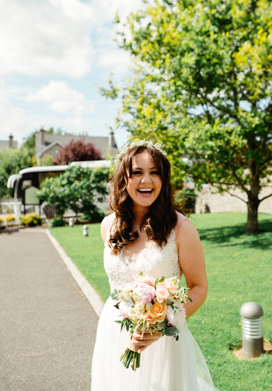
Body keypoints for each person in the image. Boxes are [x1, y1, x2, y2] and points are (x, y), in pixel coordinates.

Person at [91, 140, 217, 390]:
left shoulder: (181, 228)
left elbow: (198, 287)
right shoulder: (108, 226)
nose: (146, 181)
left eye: (154, 173)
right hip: (114, 334)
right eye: (137, 172)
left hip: (162, 342)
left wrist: (163, 325)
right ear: (123, 179)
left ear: (164, 179)